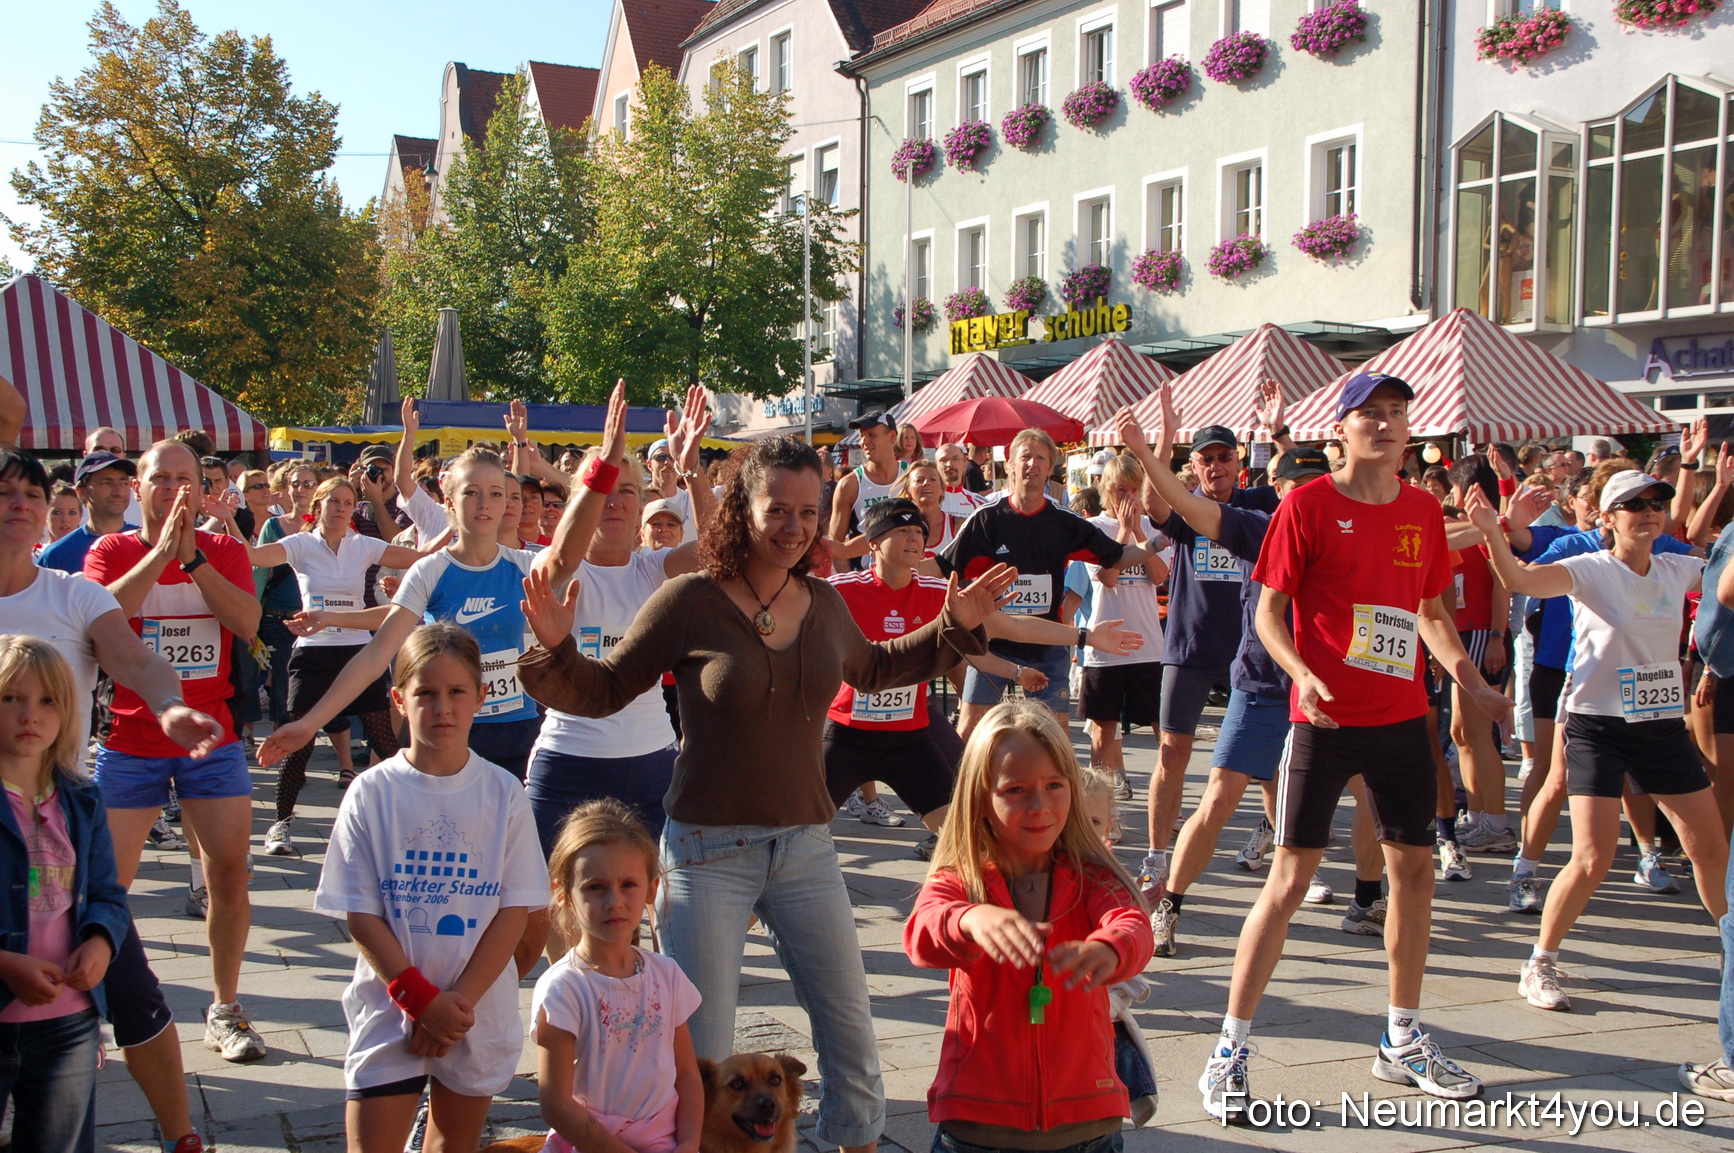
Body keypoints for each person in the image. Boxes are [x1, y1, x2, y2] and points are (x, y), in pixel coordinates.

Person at [516, 431, 1012, 1153]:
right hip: (707, 851)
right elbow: (607, 687)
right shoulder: (689, 600)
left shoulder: (822, 602)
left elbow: (874, 669)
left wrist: (953, 626)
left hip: (805, 845)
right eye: (777, 509)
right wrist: (558, 646)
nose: (794, 526)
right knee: (701, 1058)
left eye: (808, 512)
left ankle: (858, 1145)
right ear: (741, 510)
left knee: (851, 1034)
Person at [1200, 372, 1511, 1119]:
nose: (1386, 423)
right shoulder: (1306, 505)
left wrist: (1472, 682)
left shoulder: (1421, 511)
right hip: (1324, 723)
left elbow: (1430, 612)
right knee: (1288, 882)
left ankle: (1401, 1037)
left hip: (1400, 721)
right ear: (1340, 428)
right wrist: (1302, 673)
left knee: (1415, 875)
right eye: (1370, 413)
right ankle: (1229, 1049)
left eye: (1397, 412)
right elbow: (1269, 613)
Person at [0, 449, 222, 1151]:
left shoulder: (73, 595)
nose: (18, 503)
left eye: (30, 492)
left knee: (128, 984)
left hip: (60, 824)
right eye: (4, 492)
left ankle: (182, 1136)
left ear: (47, 509)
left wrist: (169, 706)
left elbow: (135, 658)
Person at [1472, 471, 1730, 1012]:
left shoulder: (1679, 567)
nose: (1649, 510)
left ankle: (1731, 953)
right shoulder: (1590, 568)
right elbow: (1519, 579)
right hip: (1597, 727)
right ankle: (1539, 962)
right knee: (1593, 858)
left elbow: (1722, 579)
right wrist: (1494, 532)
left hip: (1661, 727)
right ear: (1608, 518)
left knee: (1711, 850)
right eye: (1634, 504)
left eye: (1657, 502)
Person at [313, 623, 547, 1153]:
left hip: (472, 1014)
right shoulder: (371, 792)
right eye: (426, 694)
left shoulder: (504, 793)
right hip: (391, 1010)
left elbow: (514, 911)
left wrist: (454, 1007)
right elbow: (361, 914)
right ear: (399, 699)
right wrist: (418, 999)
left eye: (456, 692)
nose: (443, 708)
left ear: (481, 697)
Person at [83, 440, 269, 1063]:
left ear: (203, 487)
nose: (172, 490)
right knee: (107, 884)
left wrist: (191, 561)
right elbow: (102, 620)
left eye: (184, 479)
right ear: (137, 489)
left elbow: (247, 622)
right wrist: (159, 554)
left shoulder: (223, 550)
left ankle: (226, 1008)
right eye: (159, 479)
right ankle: (92, 1008)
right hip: (132, 739)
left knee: (229, 874)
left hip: (211, 738)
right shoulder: (110, 550)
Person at [904, 700, 1154, 1153]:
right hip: (978, 1127)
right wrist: (968, 918)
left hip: (1088, 1124)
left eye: (1054, 785)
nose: (1039, 806)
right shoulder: (963, 879)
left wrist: (1110, 948)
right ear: (981, 798)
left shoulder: (1094, 876)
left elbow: (1132, 922)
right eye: (1016, 790)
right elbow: (922, 931)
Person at [827, 499, 1143, 856]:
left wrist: (1085, 636)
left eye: (918, 531)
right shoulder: (840, 590)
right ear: (873, 543)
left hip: (908, 738)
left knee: (969, 841)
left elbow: (1014, 627)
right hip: (846, 734)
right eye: (901, 531)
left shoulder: (940, 595)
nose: (914, 538)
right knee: (794, 831)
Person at [259, 445, 546, 786]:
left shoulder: (529, 565)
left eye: (496, 494)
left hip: (516, 731)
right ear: (450, 502)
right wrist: (309, 724)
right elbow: (375, 654)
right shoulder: (430, 570)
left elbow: (580, 552)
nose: (484, 503)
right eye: (471, 492)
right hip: (446, 731)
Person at [525, 385, 714, 860]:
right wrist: (605, 465)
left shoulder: (654, 568)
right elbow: (565, 554)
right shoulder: (555, 566)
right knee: (548, 893)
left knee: (658, 892)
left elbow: (720, 551)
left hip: (650, 761)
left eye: (627, 491)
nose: (614, 501)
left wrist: (692, 469)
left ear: (640, 507)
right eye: (604, 491)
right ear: (582, 500)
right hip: (568, 758)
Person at [1133, 381, 1291, 902]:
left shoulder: (1256, 503)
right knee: (1172, 751)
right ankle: (1157, 857)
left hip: (1255, 650)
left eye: (1225, 457)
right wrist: (1166, 435)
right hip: (1192, 646)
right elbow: (1153, 501)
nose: (1216, 466)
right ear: (1194, 467)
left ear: (1238, 462)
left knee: (1269, 763)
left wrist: (1279, 433)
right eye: (1206, 459)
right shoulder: (1188, 508)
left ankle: (1287, 852)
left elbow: (1297, 486)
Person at [222, 477, 426, 856]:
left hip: (359, 652)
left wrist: (453, 533)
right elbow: (251, 556)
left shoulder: (362, 545)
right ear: (318, 506)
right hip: (313, 652)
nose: (341, 508)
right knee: (299, 742)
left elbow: (419, 559)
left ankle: (409, 820)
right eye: (334, 501)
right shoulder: (301, 544)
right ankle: (280, 825)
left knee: (384, 740)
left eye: (347, 502)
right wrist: (228, 519)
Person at [936, 429, 1150, 741]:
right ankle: (962, 775)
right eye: (1025, 457)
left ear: (1050, 469)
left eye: (1040, 458)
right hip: (993, 641)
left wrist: (1158, 542)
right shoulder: (987, 518)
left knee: (1054, 737)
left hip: (1046, 642)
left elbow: (1116, 557)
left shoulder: (1064, 521)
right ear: (1010, 465)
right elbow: (943, 567)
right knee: (969, 729)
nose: (1032, 464)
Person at [0, 637, 129, 1153]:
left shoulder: (81, 798)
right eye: (11, 698)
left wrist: (100, 942)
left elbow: (107, 895)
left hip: (68, 1021)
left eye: (47, 700)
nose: (30, 714)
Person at [533, 799, 704, 1153]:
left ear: (651, 889)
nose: (615, 901)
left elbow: (687, 1075)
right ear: (563, 893)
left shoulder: (667, 975)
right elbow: (556, 1103)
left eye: (628, 884)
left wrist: (689, 1142)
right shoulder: (564, 988)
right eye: (596, 887)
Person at [1074, 451, 1170, 801]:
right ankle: (1102, 805)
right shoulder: (1095, 529)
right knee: (1103, 730)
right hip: (1105, 647)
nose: (1127, 498)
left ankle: (1167, 799)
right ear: (1106, 490)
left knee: (1163, 728)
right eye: (1120, 490)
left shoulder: (1153, 528)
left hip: (1148, 644)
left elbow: (1159, 575)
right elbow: (1108, 578)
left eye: (1133, 490)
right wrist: (1125, 531)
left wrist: (1140, 531)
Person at [37, 451, 137, 575]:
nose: (118, 492)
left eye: (124, 483)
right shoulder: (55, 556)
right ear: (81, 492)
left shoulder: (148, 543)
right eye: (106, 483)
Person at [829, 411, 905, 566]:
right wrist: (851, 580)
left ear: (892, 437)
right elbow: (835, 547)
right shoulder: (849, 485)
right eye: (862, 436)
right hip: (867, 575)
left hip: (909, 574)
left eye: (872, 435)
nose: (865, 442)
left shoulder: (912, 476)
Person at [935, 442, 987, 523]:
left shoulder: (981, 504)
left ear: (964, 464)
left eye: (955, 459)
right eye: (943, 460)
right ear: (936, 466)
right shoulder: (926, 501)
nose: (950, 464)